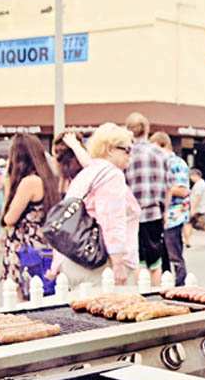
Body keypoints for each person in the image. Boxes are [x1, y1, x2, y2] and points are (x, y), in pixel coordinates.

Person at [49, 123, 140, 287]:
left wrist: (57, 263)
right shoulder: (112, 175)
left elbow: (67, 219)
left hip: (74, 259)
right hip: (101, 265)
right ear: (110, 149)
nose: (130, 155)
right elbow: (112, 219)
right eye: (127, 149)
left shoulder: (88, 173)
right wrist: (118, 264)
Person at [1, 134, 60, 299]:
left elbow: (9, 218)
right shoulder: (48, 179)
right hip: (42, 243)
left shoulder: (29, 182)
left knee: (21, 299)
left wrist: (8, 185)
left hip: (24, 247)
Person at [124, 112, 169, 286]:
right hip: (154, 213)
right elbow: (168, 187)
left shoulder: (127, 154)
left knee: (138, 260)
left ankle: (141, 293)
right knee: (155, 262)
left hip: (132, 215)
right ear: (147, 129)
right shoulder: (160, 153)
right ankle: (156, 294)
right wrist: (165, 211)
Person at [149, 131, 190, 286]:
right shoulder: (161, 163)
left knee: (174, 254)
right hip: (163, 215)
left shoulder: (176, 163)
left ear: (163, 145)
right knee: (163, 255)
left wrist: (164, 188)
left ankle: (180, 285)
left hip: (174, 216)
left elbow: (183, 190)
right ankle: (168, 285)